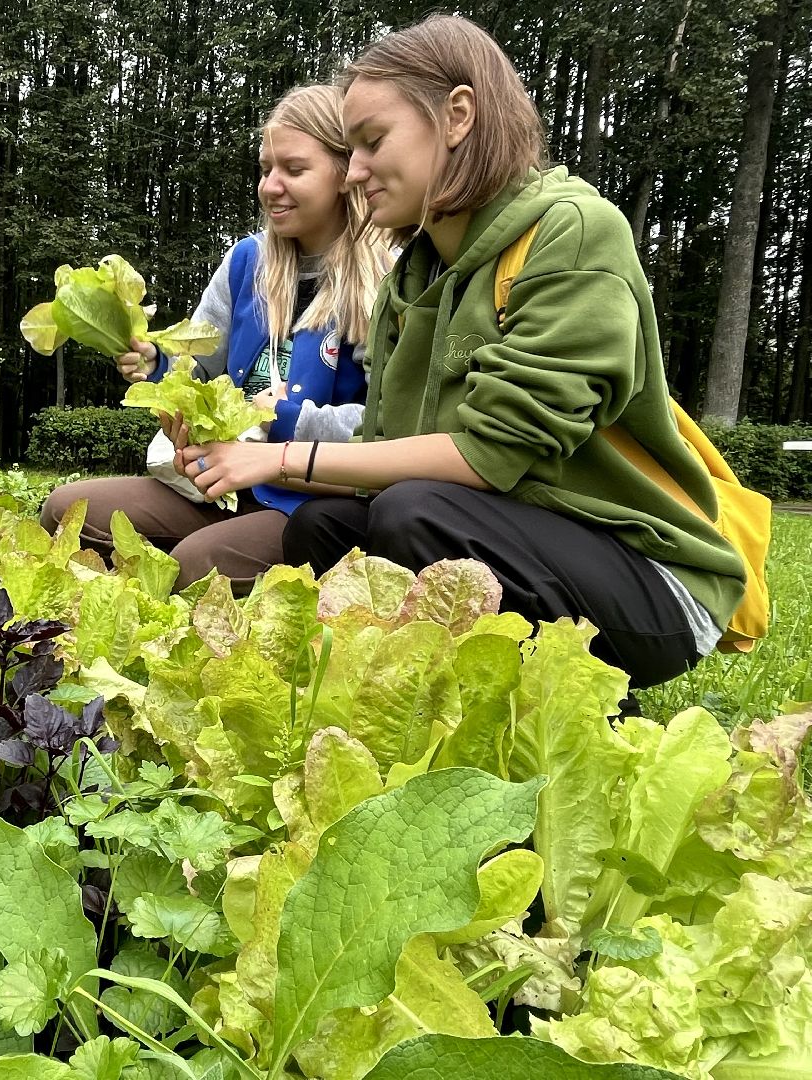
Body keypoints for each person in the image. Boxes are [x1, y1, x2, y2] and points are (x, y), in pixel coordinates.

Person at [171, 15, 745, 688]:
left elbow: (495, 452)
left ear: (458, 116)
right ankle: (437, 698)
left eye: (372, 141)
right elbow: (379, 457)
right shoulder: (413, 279)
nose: (354, 172)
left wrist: (283, 454)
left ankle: (582, 706)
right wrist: (233, 456)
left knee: (414, 515)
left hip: (649, 577)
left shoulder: (573, 231)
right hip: (514, 537)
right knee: (326, 527)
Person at [39, 83, 390, 594]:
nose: (271, 186)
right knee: (68, 510)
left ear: (345, 173)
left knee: (193, 568)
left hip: (312, 499)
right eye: (266, 168)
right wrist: (158, 365)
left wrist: (287, 418)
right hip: (216, 485)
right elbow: (198, 367)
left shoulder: (385, 277)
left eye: (294, 169)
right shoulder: (247, 261)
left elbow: (390, 427)